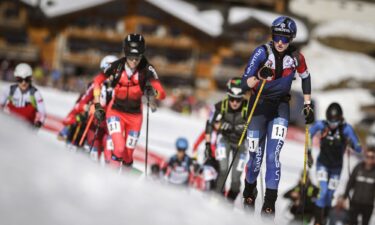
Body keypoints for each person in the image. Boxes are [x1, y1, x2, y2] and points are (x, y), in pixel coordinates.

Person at [241, 16, 313, 217]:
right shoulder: (262, 52)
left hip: (281, 107)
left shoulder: (297, 57)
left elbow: (306, 77)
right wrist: (258, 77)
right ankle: (249, 191)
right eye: (277, 37)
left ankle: (269, 204)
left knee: (273, 157)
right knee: (255, 157)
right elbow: (243, 82)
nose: (281, 42)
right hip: (258, 107)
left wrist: (307, 104)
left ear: (292, 39)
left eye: (285, 38)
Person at [99, 33, 166, 168]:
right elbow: (97, 82)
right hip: (116, 112)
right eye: (131, 57)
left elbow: (162, 94)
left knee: (128, 155)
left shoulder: (147, 69)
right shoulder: (117, 67)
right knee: (119, 148)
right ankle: (110, 178)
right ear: (125, 53)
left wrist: (153, 92)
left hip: (135, 117)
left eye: (138, 57)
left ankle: (125, 181)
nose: (134, 61)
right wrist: (97, 105)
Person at [308, 102, 362, 225]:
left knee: (330, 195)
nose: (332, 124)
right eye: (330, 120)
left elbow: (359, 148)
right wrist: (308, 153)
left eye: (335, 121)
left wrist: (352, 144)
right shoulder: (322, 125)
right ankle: (317, 222)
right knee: (323, 192)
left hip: (336, 168)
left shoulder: (346, 128)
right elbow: (309, 134)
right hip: (323, 164)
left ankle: (325, 219)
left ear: (340, 118)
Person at [206, 77, 249, 201]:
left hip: (241, 144)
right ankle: (217, 196)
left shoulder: (248, 108)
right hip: (225, 140)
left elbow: (258, 126)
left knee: (236, 178)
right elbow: (209, 123)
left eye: (238, 99)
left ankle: (230, 200)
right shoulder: (221, 106)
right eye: (232, 99)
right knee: (223, 169)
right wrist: (208, 145)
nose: (235, 103)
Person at [1, 63, 46, 128]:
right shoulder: (9, 90)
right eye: (20, 79)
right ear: (16, 78)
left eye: (27, 79)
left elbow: (42, 113)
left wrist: (39, 123)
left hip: (27, 130)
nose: (23, 83)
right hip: (9, 128)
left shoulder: (35, 93)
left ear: (30, 79)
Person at [340, 148, 375, 225]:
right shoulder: (358, 167)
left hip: (368, 205)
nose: (369, 159)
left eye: (372, 157)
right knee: (352, 222)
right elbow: (350, 183)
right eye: (367, 156)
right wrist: (344, 198)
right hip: (355, 202)